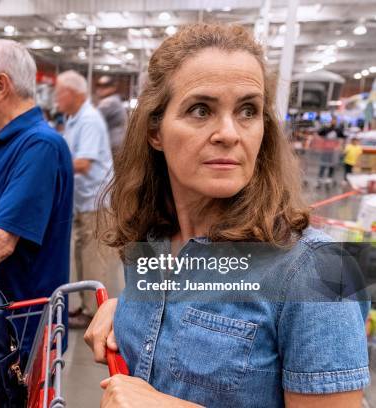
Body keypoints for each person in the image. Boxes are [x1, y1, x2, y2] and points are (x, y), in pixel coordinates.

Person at [85, 24, 368, 407]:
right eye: (201, 110)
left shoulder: (317, 272)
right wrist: (124, 312)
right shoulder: (151, 239)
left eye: (248, 110)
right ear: (156, 130)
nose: (229, 133)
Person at [0, 39, 74, 361]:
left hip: (16, 340)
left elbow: (0, 242)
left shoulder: (39, 146)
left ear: (1, 85)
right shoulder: (1, 144)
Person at [55, 70, 121, 329]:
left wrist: (48, 168)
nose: (57, 98)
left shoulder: (89, 120)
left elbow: (82, 163)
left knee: (94, 258)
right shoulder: (73, 120)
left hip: (96, 203)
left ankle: (94, 314)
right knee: (83, 255)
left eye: (59, 92)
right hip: (83, 202)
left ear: (73, 94)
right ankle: (85, 306)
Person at [95, 75, 128, 156]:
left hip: (113, 147)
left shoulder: (110, 102)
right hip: (115, 145)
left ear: (113, 88)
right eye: (98, 86)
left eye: (105, 86)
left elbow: (92, 119)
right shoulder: (114, 100)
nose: (101, 89)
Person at [316, 116, 345, 184]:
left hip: (334, 151)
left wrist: (339, 146)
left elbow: (342, 138)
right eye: (332, 120)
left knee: (332, 164)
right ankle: (320, 177)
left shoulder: (338, 130)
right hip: (325, 150)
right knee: (323, 164)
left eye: (334, 120)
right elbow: (319, 134)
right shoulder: (326, 129)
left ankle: (329, 177)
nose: (333, 121)